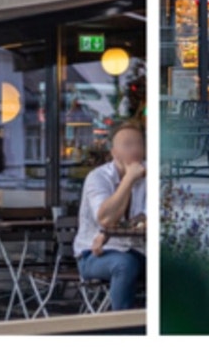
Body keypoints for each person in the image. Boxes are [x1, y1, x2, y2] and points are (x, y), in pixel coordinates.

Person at [75, 124, 147, 312]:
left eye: (139, 144)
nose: (134, 150)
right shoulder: (98, 177)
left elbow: (147, 217)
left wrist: (109, 232)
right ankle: (122, 333)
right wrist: (129, 179)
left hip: (140, 250)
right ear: (114, 152)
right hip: (95, 254)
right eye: (127, 144)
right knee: (124, 265)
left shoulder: (151, 175)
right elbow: (106, 220)